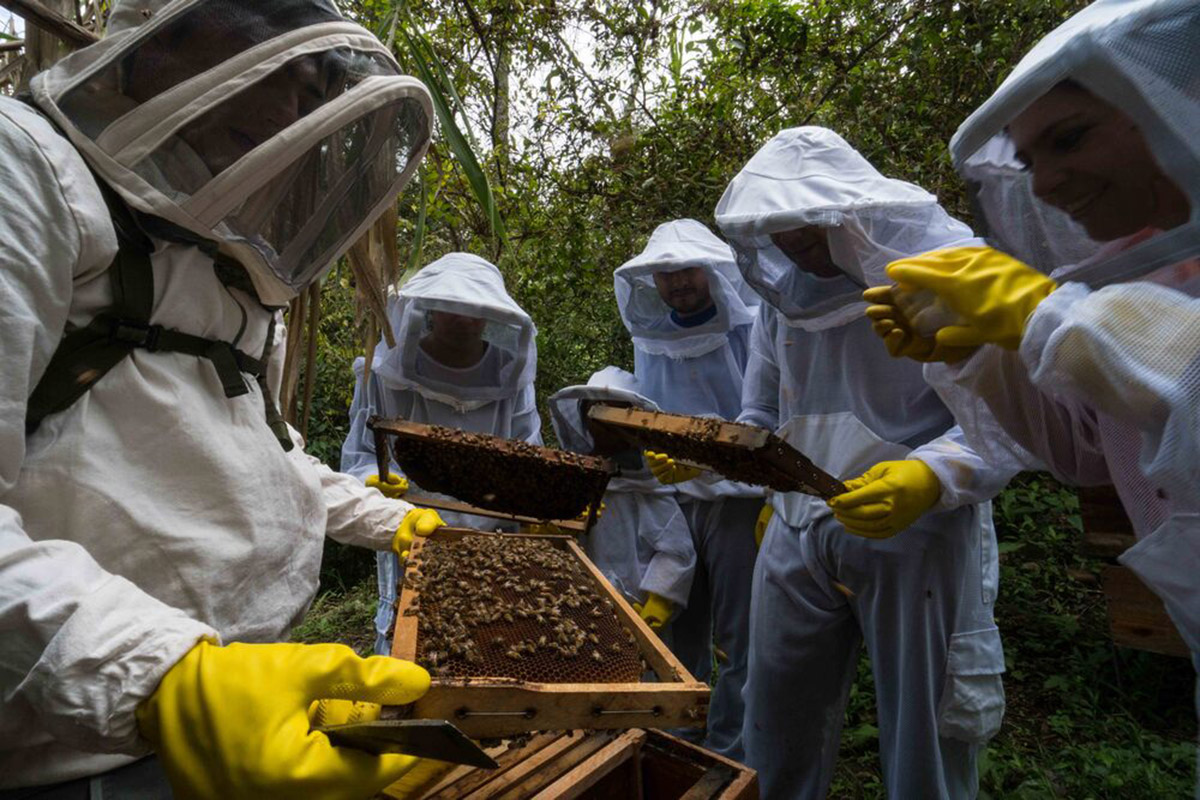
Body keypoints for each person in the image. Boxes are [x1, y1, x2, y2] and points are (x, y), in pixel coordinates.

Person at [0, 1, 444, 797]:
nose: (287, 109)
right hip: (58, 753)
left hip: (251, 717)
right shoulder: (23, 168)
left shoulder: (235, 276)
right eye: (264, 61)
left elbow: (265, 457)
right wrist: (170, 680)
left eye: (312, 90)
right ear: (152, 44)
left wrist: (394, 522)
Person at [862, 0, 1200, 786]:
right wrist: (985, 354)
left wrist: (1041, 316)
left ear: (1172, 96)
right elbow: (1088, 451)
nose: (1045, 183)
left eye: (1071, 137)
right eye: (1030, 157)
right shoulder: (1140, 268)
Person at [714, 126, 1014, 798]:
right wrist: (726, 453)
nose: (792, 246)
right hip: (794, 528)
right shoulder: (782, 300)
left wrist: (930, 475)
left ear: (848, 212)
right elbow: (763, 412)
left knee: (927, 728)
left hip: (918, 527)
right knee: (776, 716)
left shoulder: (941, 266)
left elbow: (1005, 417)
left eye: (805, 230)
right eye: (779, 234)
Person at [612, 218, 763, 759]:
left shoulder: (749, 326)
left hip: (738, 504)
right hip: (670, 504)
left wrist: (719, 469)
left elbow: (764, 417)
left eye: (687, 270)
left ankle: (732, 751)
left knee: (740, 633)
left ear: (712, 270)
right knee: (677, 626)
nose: (677, 283)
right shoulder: (650, 337)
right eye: (665, 274)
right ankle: (678, 738)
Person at [341, 252, 542, 655]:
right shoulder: (384, 372)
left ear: (492, 315)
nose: (465, 319)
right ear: (429, 309)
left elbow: (528, 455)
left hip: (493, 544)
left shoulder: (510, 376)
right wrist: (371, 479)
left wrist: (546, 506)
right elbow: (358, 456)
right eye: (452, 308)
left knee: (494, 642)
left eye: (475, 310)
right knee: (408, 646)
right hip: (410, 535)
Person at [548, 367, 696, 636]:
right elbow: (551, 542)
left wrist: (660, 598)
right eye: (596, 408)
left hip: (635, 609)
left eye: (615, 410)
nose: (604, 418)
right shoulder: (570, 477)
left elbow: (676, 550)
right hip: (572, 606)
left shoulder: (648, 486)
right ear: (584, 415)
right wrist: (552, 526)